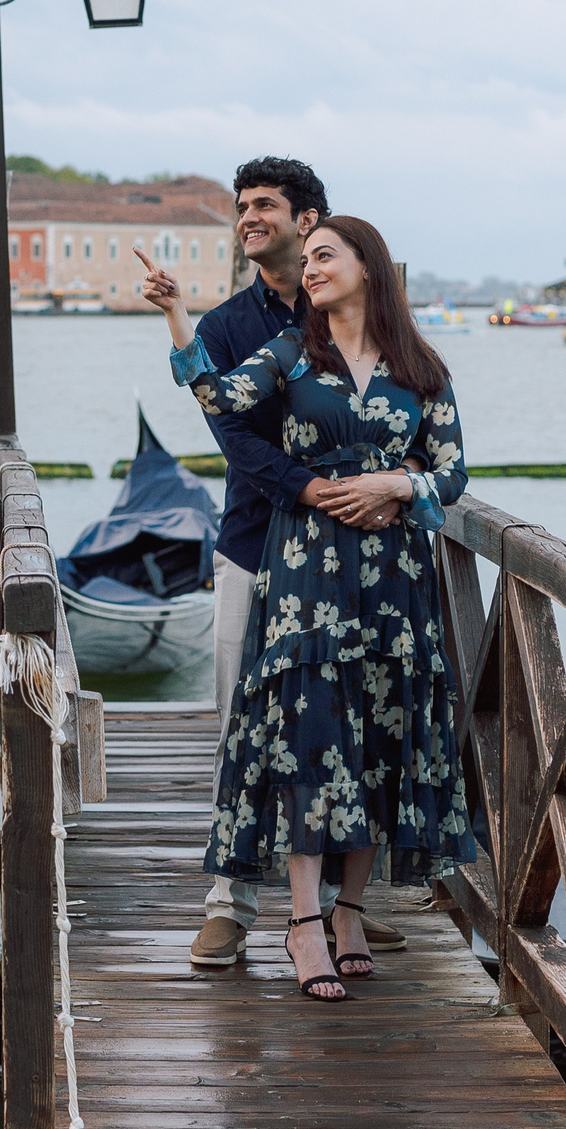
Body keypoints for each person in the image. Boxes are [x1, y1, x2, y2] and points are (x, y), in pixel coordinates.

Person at [149, 213, 477, 1000]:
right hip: (307, 568)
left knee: (380, 728)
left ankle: (352, 910)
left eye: (327, 255)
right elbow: (221, 398)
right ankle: (303, 921)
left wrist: (399, 485)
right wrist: (174, 315)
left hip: (397, 577)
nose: (313, 266)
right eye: (312, 257)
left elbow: (453, 472)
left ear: (370, 267)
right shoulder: (294, 352)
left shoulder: (421, 368)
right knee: (310, 727)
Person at [132, 158, 403, 971]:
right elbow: (233, 437)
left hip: (350, 560)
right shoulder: (225, 327)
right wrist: (315, 488)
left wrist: (395, 487)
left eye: (264, 206)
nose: (248, 218)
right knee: (239, 724)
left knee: (345, 725)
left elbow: (401, 417)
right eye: (241, 207)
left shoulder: (353, 311)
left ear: (309, 218)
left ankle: (330, 913)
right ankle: (230, 903)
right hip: (255, 544)